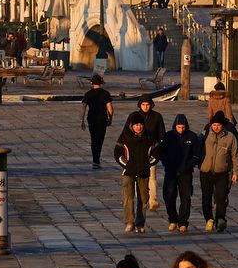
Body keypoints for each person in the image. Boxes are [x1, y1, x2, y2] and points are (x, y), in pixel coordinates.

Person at [118, 97, 163, 231]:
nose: (139, 127)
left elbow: (157, 148)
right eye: (136, 125)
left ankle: (140, 222)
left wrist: (149, 163)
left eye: (140, 124)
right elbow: (117, 152)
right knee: (128, 197)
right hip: (129, 171)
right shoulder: (125, 136)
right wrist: (126, 165)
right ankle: (129, 222)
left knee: (143, 198)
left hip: (145, 168)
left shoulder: (150, 135)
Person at [155, 112, 202, 238]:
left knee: (185, 197)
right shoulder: (168, 136)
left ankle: (183, 222)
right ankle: (172, 219)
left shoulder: (192, 137)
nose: (181, 129)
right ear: (175, 126)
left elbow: (196, 155)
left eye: (183, 127)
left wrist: (187, 166)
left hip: (186, 172)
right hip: (171, 171)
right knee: (168, 195)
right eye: (178, 127)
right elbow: (160, 152)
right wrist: (167, 163)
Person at [198, 105, 238, 229]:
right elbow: (196, 149)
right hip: (205, 171)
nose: (216, 127)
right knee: (206, 197)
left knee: (221, 196)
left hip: (222, 172)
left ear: (223, 126)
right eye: (214, 125)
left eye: (219, 125)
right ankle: (209, 218)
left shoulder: (230, 137)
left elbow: (235, 155)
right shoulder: (205, 135)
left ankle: (221, 218)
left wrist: (236, 172)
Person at [82, 73, 114, 171]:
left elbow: (83, 108)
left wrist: (82, 120)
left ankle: (95, 160)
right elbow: (110, 108)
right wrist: (110, 118)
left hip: (91, 118)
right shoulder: (106, 93)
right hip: (102, 119)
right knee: (99, 140)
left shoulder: (88, 94)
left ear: (92, 83)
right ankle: (97, 160)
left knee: (93, 139)